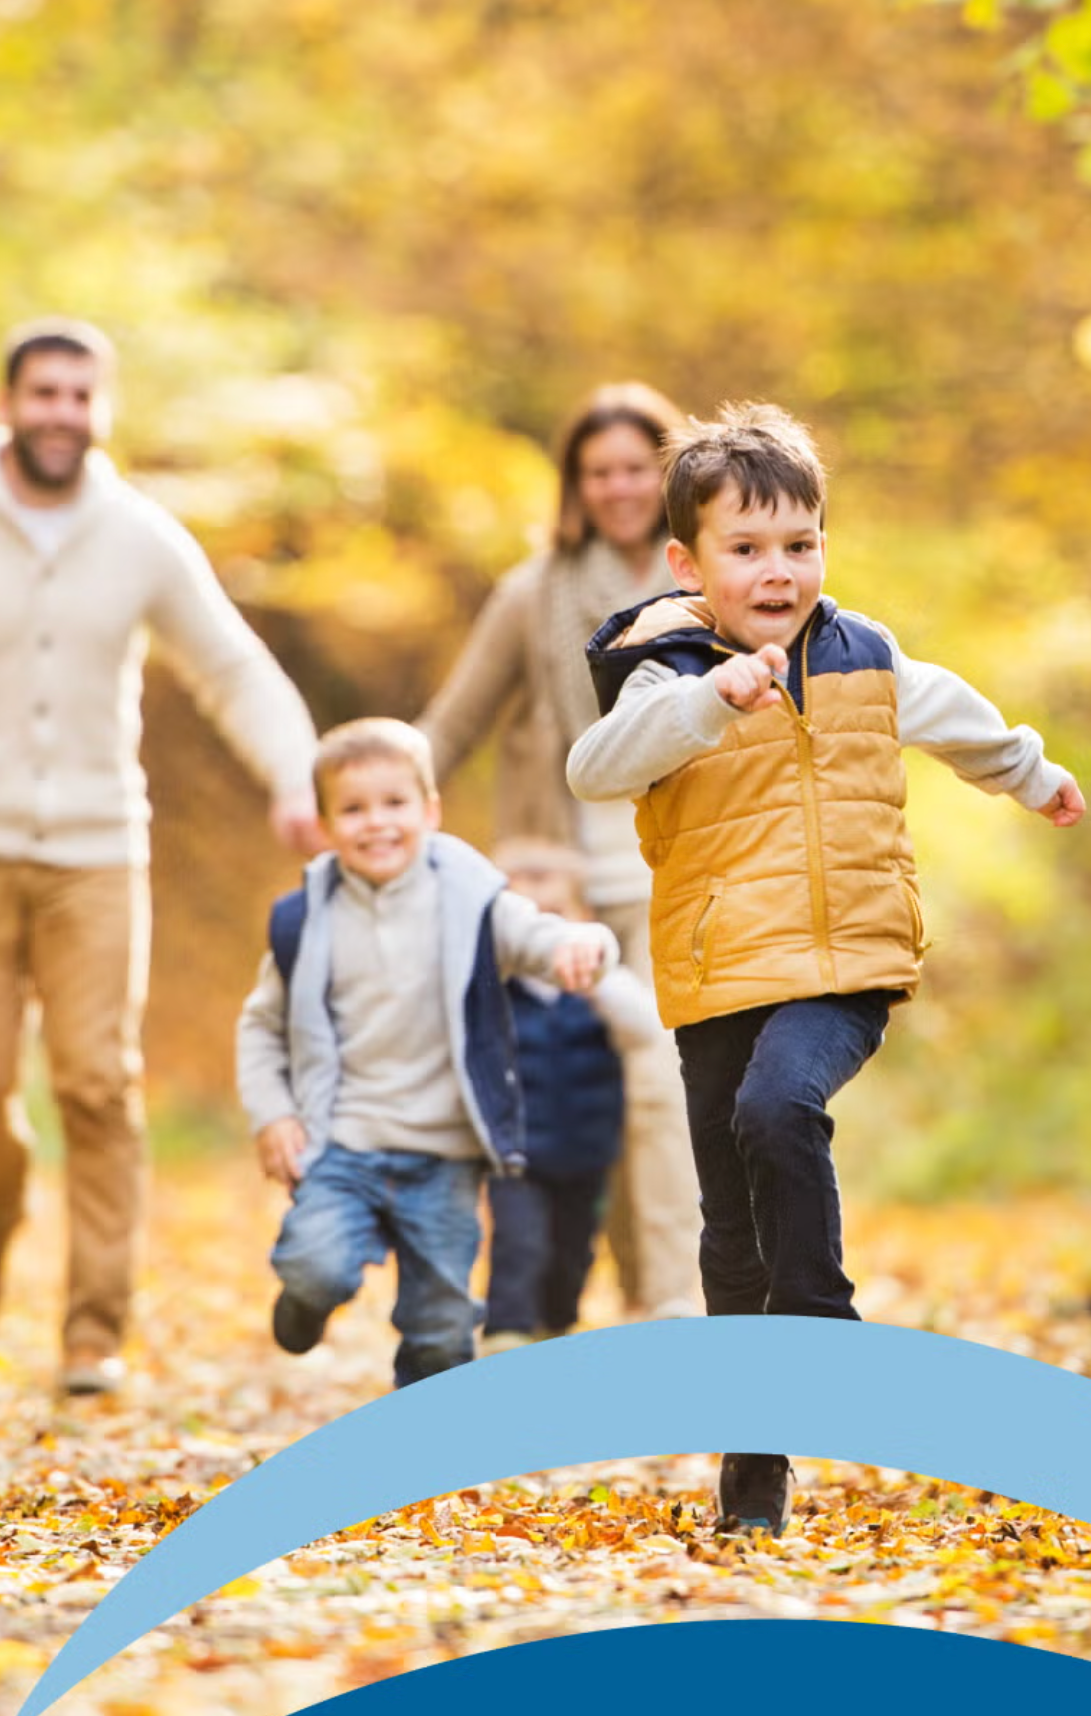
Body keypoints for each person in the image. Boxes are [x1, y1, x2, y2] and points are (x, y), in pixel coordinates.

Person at [565, 401, 1088, 1535]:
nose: (777, 571)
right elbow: (596, 768)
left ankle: (822, 1325)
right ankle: (755, 1469)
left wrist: (1031, 774)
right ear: (687, 563)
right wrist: (710, 699)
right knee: (729, 1233)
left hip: (845, 962)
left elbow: (956, 716)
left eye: (799, 545)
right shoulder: (667, 670)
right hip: (718, 978)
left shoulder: (864, 654)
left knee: (779, 1105)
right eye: (745, 550)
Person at [0, 315, 324, 1399]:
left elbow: (231, 668)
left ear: (104, 411)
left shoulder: (140, 536)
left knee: (98, 1081)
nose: (61, 413)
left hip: (99, 850)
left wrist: (295, 778)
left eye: (81, 396)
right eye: (42, 393)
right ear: (6, 404)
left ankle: (94, 1330)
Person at [417, 382, 707, 1322]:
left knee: (663, 1090)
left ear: (669, 474)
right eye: (599, 472)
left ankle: (667, 1305)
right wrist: (364, 798)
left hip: (685, 874)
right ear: (575, 486)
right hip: (564, 888)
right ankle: (605, 1303)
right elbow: (453, 723)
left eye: (637, 468)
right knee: (592, 1108)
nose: (619, 488)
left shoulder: (713, 581)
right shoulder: (534, 594)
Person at [238, 721, 618, 1388]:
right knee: (315, 1266)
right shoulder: (304, 922)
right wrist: (273, 1114)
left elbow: (536, 937)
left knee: (441, 1329)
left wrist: (578, 947)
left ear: (430, 811)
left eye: (394, 804)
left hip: (442, 1155)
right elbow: (261, 1025)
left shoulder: (471, 903)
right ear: (324, 826)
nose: (376, 824)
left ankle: (425, 1440)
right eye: (353, 810)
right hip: (343, 1145)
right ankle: (305, 1303)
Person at [480, 838, 675, 1346]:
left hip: (586, 1156)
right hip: (516, 1156)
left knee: (570, 1259)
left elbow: (647, 1030)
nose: (544, 935)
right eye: (528, 920)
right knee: (519, 1246)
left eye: (556, 916)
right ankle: (505, 1334)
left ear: (585, 917)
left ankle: (553, 1326)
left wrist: (595, 976)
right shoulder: (496, 992)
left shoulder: (605, 993)